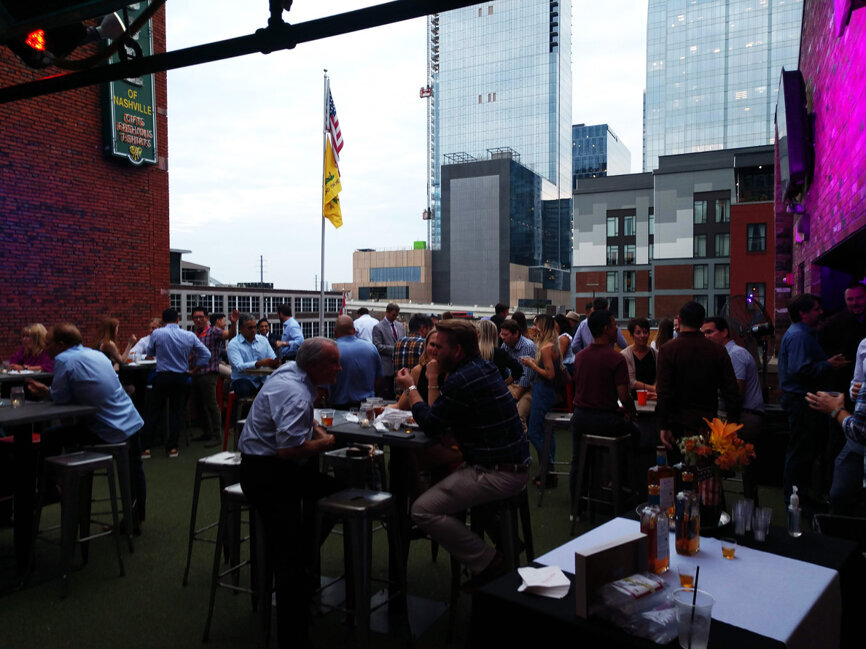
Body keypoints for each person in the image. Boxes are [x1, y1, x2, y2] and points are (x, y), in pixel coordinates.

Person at [395, 319, 530, 591]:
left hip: (496, 472)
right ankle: (501, 541)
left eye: (439, 347)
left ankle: (491, 561)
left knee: (421, 510)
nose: (433, 351)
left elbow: (432, 423)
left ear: (457, 350)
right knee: (433, 466)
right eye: (432, 346)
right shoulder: (483, 368)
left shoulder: (461, 379)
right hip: (511, 463)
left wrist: (410, 387)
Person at [238, 338, 343, 649]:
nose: (339, 368)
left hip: (258, 468)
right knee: (290, 558)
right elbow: (288, 450)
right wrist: (324, 443)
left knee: (328, 492)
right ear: (314, 365)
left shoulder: (288, 372)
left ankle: (302, 551)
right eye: (333, 362)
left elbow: (294, 421)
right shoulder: (296, 394)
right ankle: (292, 636)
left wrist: (315, 428)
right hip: (269, 475)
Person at [26, 323, 147, 525]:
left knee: (50, 436)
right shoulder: (97, 355)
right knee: (135, 469)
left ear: (61, 345)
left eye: (48, 343)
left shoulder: (63, 359)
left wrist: (47, 393)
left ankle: (49, 490)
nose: (45, 348)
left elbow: (61, 398)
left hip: (107, 429)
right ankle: (136, 518)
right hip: (131, 421)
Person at [778, 294, 849, 506]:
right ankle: (794, 498)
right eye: (816, 309)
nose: (821, 312)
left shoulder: (802, 333)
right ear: (803, 313)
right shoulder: (799, 336)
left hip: (803, 400)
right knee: (800, 452)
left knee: (804, 451)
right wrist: (828, 364)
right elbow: (799, 369)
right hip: (802, 401)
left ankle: (800, 494)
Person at [570, 309, 637, 503]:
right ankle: (626, 489)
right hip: (606, 421)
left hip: (580, 418)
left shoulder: (580, 357)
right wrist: (631, 412)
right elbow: (623, 396)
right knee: (636, 434)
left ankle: (577, 505)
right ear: (606, 329)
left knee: (578, 461)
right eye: (615, 325)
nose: (617, 329)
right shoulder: (616, 358)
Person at [657, 301, 740, 453]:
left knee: (678, 464)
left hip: (677, 422)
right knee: (706, 464)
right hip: (707, 422)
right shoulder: (717, 350)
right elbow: (731, 391)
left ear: (679, 320)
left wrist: (663, 425)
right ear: (702, 323)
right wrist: (731, 425)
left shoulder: (668, 350)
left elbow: (663, 391)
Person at [701, 316, 764, 502]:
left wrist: (708, 386)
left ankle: (747, 512)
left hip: (745, 417)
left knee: (744, 469)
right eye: (703, 333)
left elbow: (736, 391)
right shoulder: (725, 354)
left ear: (724, 332)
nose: (706, 336)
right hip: (740, 415)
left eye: (710, 332)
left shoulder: (734, 354)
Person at [145, 308, 211, 458]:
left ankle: (146, 447)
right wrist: (194, 370)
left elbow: (150, 352)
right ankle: (172, 448)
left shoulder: (157, 333)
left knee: (153, 411)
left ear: (163, 321)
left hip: (162, 376)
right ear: (178, 320)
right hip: (181, 377)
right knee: (176, 412)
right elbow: (206, 354)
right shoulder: (189, 335)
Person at [807, 380, 866, 515]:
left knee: (841, 500)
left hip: (857, 449)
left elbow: (858, 430)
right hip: (853, 446)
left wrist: (835, 410)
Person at [520, 314, 562, 488]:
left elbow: (550, 374)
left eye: (535, 325)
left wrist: (532, 365)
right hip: (548, 391)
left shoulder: (546, 348)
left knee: (534, 433)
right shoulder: (552, 345)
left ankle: (549, 469)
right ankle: (547, 472)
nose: (533, 327)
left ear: (542, 327)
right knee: (547, 432)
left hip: (542, 390)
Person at [191, 306, 238, 448]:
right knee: (199, 405)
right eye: (196, 317)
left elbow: (229, 335)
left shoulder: (213, 331)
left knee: (211, 404)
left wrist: (233, 323)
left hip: (209, 372)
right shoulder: (195, 334)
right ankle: (207, 432)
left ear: (206, 318)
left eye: (201, 317)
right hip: (196, 373)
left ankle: (217, 436)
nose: (198, 320)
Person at [329, 315, 381, 410]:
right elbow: (379, 379)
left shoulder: (330, 351)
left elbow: (323, 386)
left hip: (339, 408)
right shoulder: (371, 348)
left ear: (335, 332)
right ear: (354, 331)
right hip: (367, 407)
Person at [226, 313, 279, 398]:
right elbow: (239, 366)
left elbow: (273, 357)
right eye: (250, 328)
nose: (253, 330)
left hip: (262, 379)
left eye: (255, 327)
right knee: (244, 388)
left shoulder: (263, 340)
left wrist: (276, 362)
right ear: (241, 329)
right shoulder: (234, 344)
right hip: (243, 379)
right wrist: (259, 363)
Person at [499, 318, 536, 430]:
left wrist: (515, 398)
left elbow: (526, 377)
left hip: (528, 388)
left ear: (516, 334)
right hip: (511, 385)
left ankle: (521, 440)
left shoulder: (528, 346)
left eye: (505, 335)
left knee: (518, 416)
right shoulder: (505, 345)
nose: (502, 337)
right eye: (501, 334)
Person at [372, 302, 405, 399]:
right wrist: (395, 349)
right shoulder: (378, 327)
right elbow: (377, 346)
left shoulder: (400, 326)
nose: (395, 317)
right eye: (393, 315)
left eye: (397, 315)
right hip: (386, 369)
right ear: (387, 312)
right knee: (386, 396)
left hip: (398, 369)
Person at [621, 317, 657, 395]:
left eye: (645, 332)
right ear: (631, 335)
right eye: (638, 333)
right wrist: (652, 388)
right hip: (633, 399)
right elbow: (631, 382)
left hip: (653, 397)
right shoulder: (625, 355)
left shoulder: (656, 354)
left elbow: (660, 376)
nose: (642, 335)